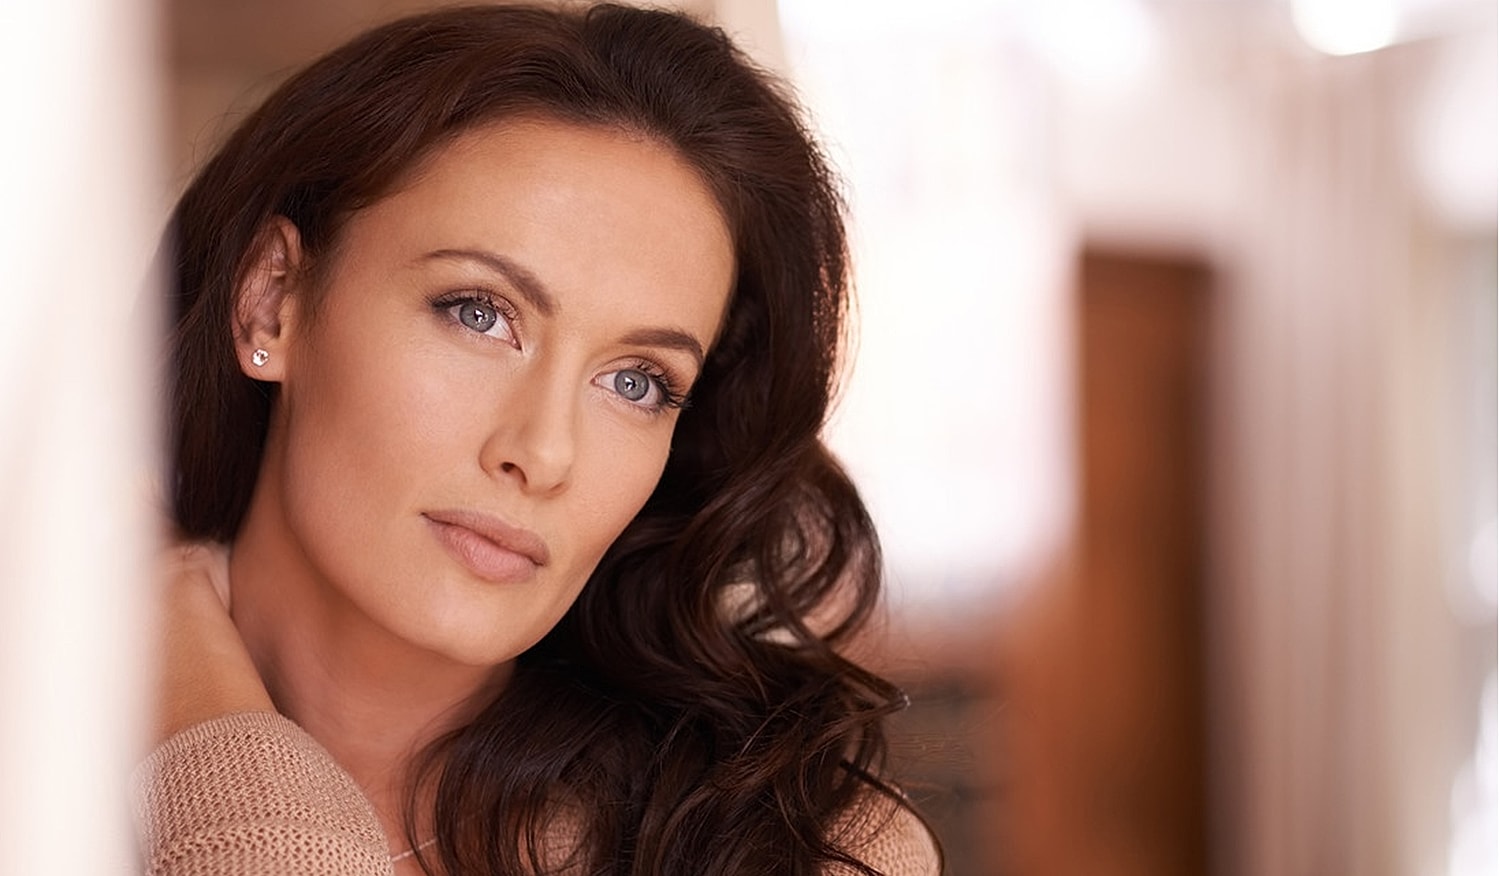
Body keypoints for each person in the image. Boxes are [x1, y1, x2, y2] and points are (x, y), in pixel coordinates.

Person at [138, 3, 941, 874]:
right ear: (273, 299)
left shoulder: (795, 843)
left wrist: (191, 680)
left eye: (636, 382)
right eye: (479, 315)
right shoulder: (34, 747)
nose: (544, 451)